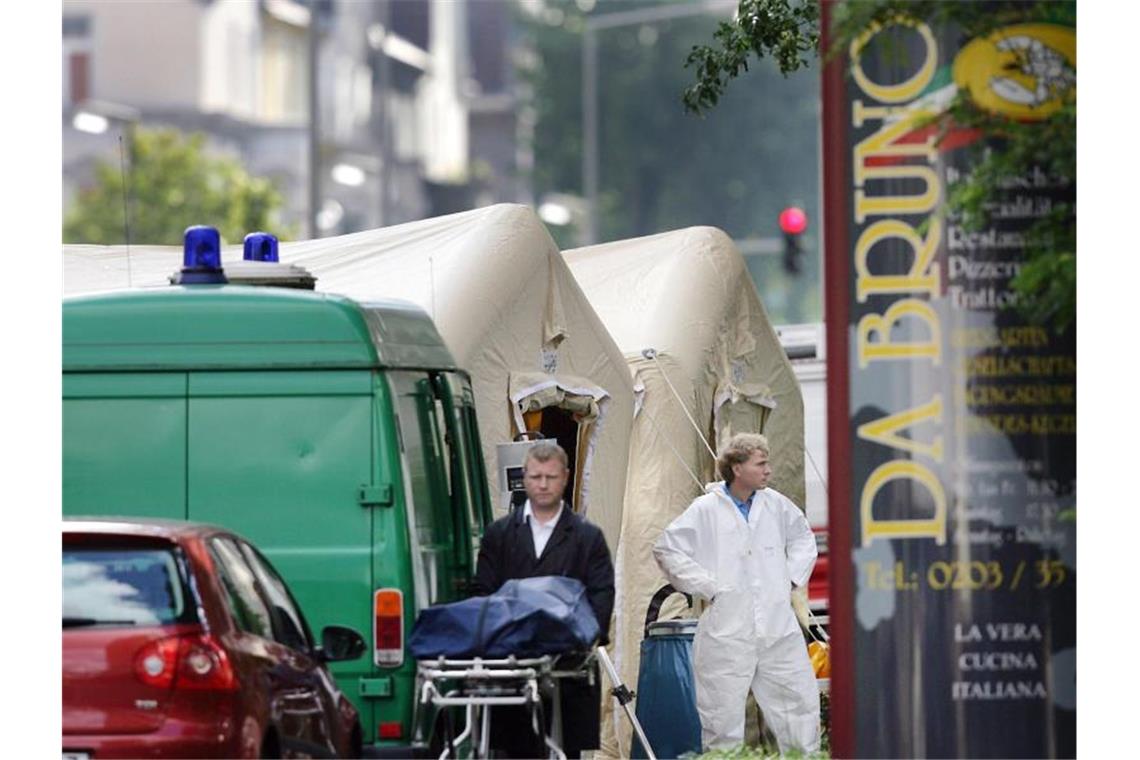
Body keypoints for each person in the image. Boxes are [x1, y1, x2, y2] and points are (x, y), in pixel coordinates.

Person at [653, 432, 820, 754]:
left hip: (777, 628)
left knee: (797, 710)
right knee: (721, 719)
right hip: (726, 631)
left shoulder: (776, 505)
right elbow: (666, 549)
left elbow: (803, 539)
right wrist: (709, 587)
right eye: (761, 463)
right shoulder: (705, 510)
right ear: (737, 468)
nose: (768, 470)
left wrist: (787, 579)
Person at [472, 440, 615, 758]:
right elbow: (483, 590)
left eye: (551, 477)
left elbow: (602, 591)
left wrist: (586, 636)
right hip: (511, 660)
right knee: (514, 747)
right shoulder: (500, 534)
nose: (543, 485)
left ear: (564, 477)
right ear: (524, 477)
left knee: (565, 747)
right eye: (536, 477)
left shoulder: (586, 536)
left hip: (569, 660)